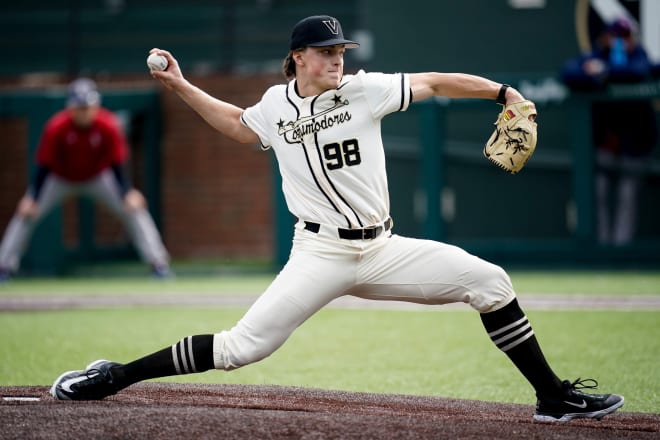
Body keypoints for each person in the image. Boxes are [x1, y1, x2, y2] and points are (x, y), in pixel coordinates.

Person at [50, 15, 623, 423]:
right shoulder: (276, 105)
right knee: (240, 349)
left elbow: (435, 81)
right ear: (298, 57)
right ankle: (116, 374)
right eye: (326, 52)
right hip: (319, 254)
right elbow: (235, 124)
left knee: (491, 283)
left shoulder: (365, 90)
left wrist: (503, 92)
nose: (337, 60)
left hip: (383, 249)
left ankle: (553, 399)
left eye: (341, 51)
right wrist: (179, 85)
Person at [0, 78, 172, 281]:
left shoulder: (107, 125)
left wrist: (126, 192)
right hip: (59, 178)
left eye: (88, 106)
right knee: (26, 213)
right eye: (80, 107)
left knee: (134, 208)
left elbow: (116, 164)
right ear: (71, 108)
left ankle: (158, 264)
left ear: (95, 106)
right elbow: (44, 165)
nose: (85, 112)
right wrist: (34, 197)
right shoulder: (57, 127)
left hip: (98, 177)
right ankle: (4, 266)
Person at [560, 17, 657, 246]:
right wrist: (600, 71)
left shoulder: (639, 57)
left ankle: (620, 249)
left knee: (627, 196)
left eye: (625, 37)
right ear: (605, 37)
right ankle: (601, 249)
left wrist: (605, 71)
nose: (620, 42)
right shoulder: (595, 55)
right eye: (616, 37)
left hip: (635, 145)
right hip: (604, 143)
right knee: (597, 196)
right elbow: (569, 73)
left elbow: (639, 72)